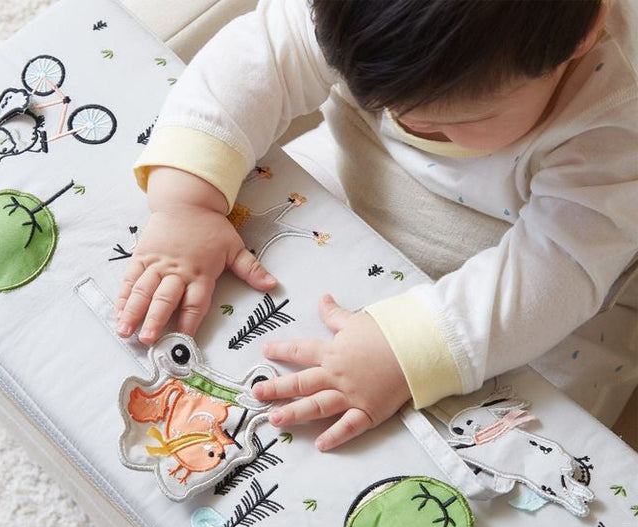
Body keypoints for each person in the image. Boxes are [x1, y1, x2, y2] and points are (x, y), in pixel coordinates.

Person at [116, 0, 638, 452]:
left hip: (554, 278)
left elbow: (560, 266)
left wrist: (407, 351)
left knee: (533, 434)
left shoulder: (617, 113)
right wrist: (187, 204)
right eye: (382, 101)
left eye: (454, 121)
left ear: (582, 32)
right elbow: (262, 56)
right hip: (355, 180)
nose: (408, 123)